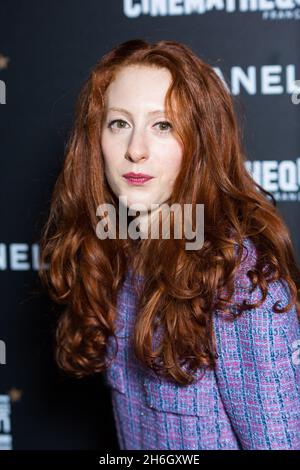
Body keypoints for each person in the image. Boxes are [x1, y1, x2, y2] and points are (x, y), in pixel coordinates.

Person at [38, 39, 300, 450]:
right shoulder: (115, 254)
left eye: (163, 125)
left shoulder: (241, 283)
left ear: (199, 143)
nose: (135, 151)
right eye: (119, 124)